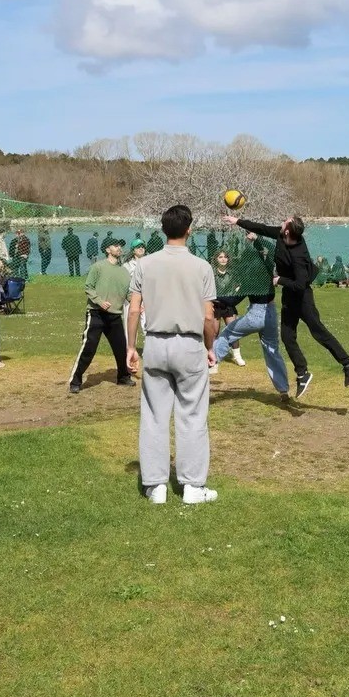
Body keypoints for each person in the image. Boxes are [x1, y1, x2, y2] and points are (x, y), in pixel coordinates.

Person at [127, 204, 219, 505]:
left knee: (154, 415)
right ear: (189, 229)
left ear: (163, 229)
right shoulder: (202, 267)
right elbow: (208, 317)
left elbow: (135, 308)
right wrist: (209, 347)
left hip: (155, 343)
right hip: (189, 344)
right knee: (192, 415)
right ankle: (192, 486)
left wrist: (131, 346)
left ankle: (156, 486)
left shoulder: (145, 264)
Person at [224, 212, 349, 399]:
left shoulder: (299, 256)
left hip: (302, 298)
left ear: (288, 231)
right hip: (289, 297)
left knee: (318, 332)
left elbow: (300, 284)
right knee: (287, 337)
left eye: (285, 222)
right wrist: (237, 221)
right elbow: (261, 228)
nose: (282, 221)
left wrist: (279, 280)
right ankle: (303, 373)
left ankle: (348, 363)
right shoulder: (281, 235)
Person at [211, 233, 289, 397]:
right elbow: (273, 250)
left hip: (256, 314)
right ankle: (283, 390)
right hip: (271, 313)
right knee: (272, 350)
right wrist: (258, 240)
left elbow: (232, 301)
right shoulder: (267, 268)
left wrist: (214, 299)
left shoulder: (248, 277)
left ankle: (207, 366)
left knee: (227, 335)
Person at [68, 238, 135, 393]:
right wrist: (99, 301)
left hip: (115, 316)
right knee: (89, 348)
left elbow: (128, 294)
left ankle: (123, 377)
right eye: (116, 245)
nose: (119, 248)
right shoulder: (97, 267)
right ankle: (75, 381)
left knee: (121, 348)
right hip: (96, 314)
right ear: (107, 249)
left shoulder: (124, 272)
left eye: (120, 246)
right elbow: (88, 287)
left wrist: (138, 304)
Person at [210, 249, 245, 371]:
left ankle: (237, 356)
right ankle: (213, 357)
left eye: (225, 257)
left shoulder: (233, 273)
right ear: (216, 259)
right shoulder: (211, 272)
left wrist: (236, 291)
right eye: (220, 257)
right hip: (216, 305)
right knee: (214, 332)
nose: (223, 259)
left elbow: (240, 284)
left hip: (229, 305)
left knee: (233, 330)